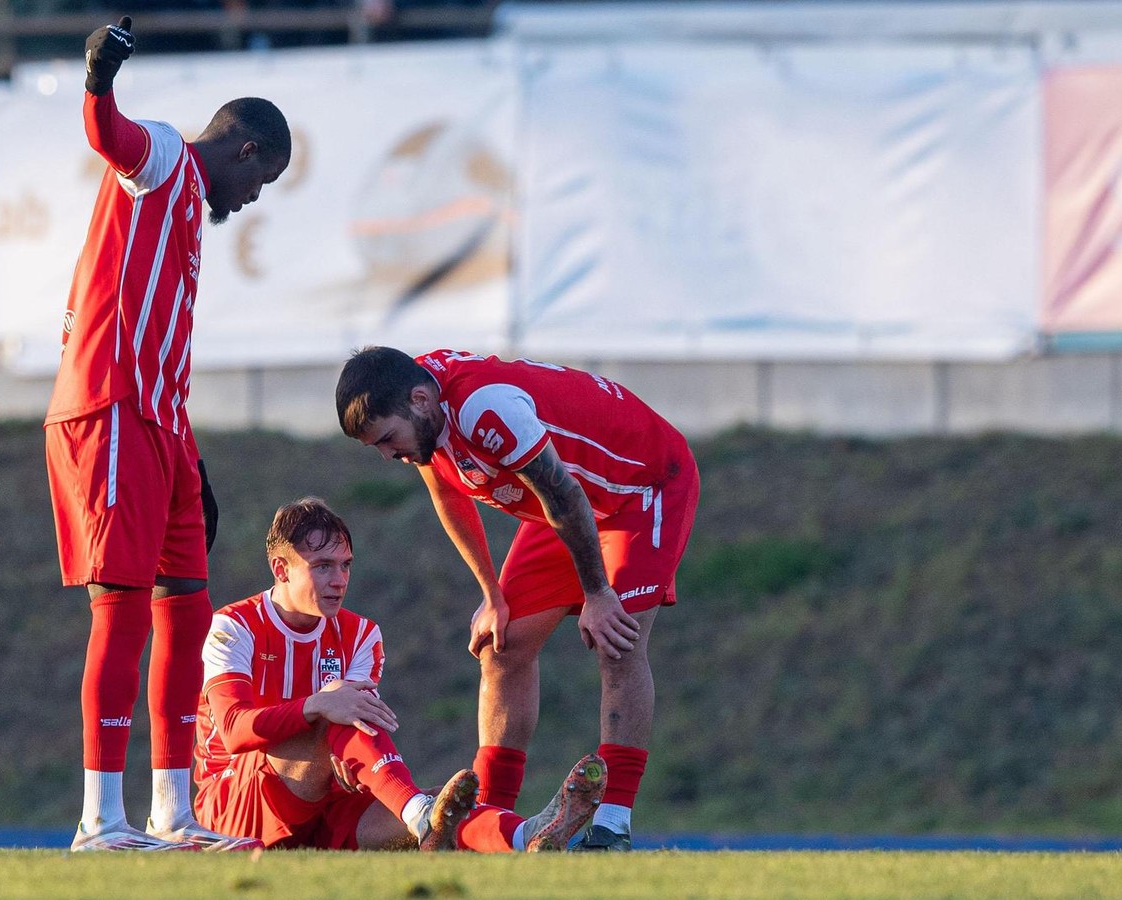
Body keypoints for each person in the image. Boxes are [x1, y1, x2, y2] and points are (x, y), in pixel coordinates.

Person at [45, 16, 292, 851]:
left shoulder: (183, 206)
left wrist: (192, 453)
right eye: (263, 183)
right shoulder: (167, 160)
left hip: (161, 423)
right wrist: (98, 76)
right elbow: (108, 134)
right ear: (247, 151)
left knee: (185, 610)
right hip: (112, 408)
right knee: (121, 610)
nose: (253, 201)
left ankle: (171, 812)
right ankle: (98, 820)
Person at [334, 348, 700, 851]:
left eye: (388, 440)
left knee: (617, 644)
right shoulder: (417, 399)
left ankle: (612, 825)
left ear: (420, 401)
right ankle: (487, 823)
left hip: (639, 488)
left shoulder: (485, 408)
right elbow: (449, 493)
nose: (388, 455)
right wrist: (491, 595)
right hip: (567, 499)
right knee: (502, 646)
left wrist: (597, 594)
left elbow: (564, 496)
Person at [194, 497, 607, 852]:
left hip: (326, 801)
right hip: (236, 802)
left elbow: (351, 732)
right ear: (281, 569)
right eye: (322, 566)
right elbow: (233, 730)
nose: (338, 581)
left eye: (345, 566)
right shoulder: (233, 626)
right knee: (338, 707)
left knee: (445, 809)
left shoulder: (361, 634)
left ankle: (527, 836)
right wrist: (318, 705)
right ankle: (418, 813)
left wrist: (337, 729)